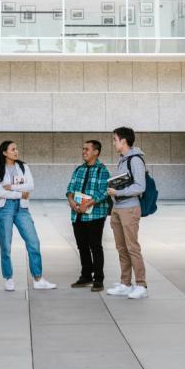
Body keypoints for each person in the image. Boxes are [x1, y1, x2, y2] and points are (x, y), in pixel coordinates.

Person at [0, 140, 57, 292]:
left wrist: (12, 187)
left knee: (33, 241)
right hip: (4, 208)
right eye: (13, 149)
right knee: (6, 245)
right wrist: (20, 193)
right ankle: (9, 278)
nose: (16, 151)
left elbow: (30, 186)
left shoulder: (23, 166)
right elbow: (0, 192)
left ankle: (38, 279)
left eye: (16, 149)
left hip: (22, 209)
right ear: (4, 152)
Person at [106, 127, 148, 299]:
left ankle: (141, 285)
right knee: (121, 248)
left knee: (132, 247)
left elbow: (140, 187)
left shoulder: (135, 160)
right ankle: (125, 283)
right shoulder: (122, 159)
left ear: (123, 141)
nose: (113, 142)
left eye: (115, 139)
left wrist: (118, 193)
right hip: (118, 208)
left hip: (129, 208)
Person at [65, 140, 110, 292]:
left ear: (96, 152)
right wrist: (71, 200)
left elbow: (104, 191)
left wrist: (88, 203)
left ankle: (98, 279)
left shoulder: (102, 170)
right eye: (83, 149)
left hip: (95, 216)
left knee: (95, 247)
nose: (84, 152)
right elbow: (70, 187)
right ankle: (86, 276)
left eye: (87, 149)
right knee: (82, 246)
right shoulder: (78, 170)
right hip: (77, 215)